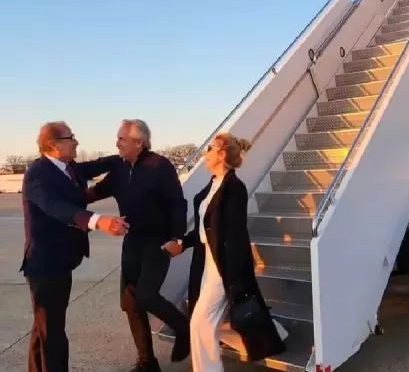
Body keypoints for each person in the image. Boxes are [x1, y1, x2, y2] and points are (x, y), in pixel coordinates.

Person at [162, 133, 288, 372]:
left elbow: (234, 237)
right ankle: (273, 332)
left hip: (223, 266)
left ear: (220, 153)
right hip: (206, 262)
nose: (204, 153)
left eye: (209, 148)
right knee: (206, 324)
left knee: (200, 324)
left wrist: (234, 279)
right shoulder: (213, 184)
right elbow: (206, 229)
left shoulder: (234, 188)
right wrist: (183, 243)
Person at [21, 121, 130, 372]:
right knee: (53, 333)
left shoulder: (68, 168)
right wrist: (96, 220)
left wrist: (125, 153)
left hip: (61, 262)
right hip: (44, 265)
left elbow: (99, 164)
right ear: (53, 144)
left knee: (44, 328)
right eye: (71, 138)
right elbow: (55, 207)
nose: (76, 142)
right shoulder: (38, 174)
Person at [87, 119, 190, 372]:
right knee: (131, 303)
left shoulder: (159, 166)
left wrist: (177, 238)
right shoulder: (120, 169)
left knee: (146, 295)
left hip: (157, 241)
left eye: (122, 138)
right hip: (132, 241)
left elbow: (178, 203)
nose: (117, 143)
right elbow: (93, 193)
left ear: (138, 142)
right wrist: (62, 200)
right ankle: (147, 363)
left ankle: (183, 327)